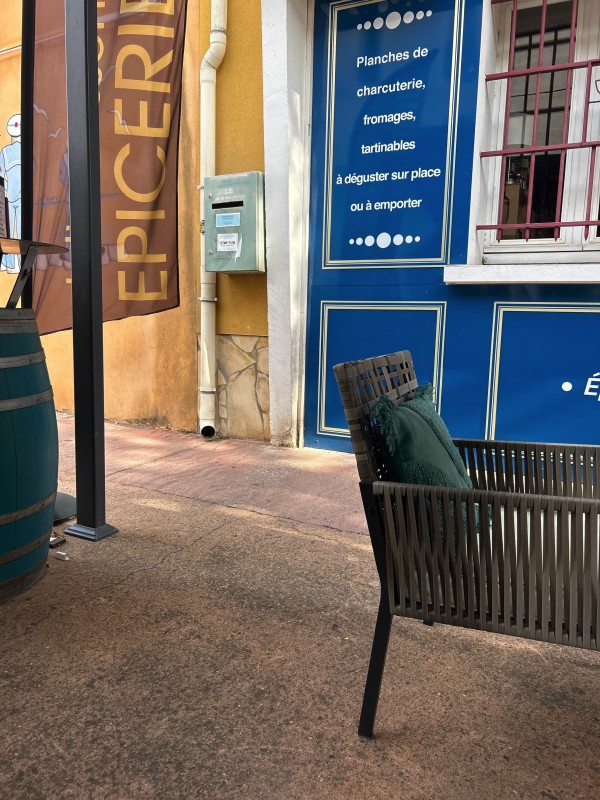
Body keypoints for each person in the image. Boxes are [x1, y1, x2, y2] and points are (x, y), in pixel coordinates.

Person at [0, 113, 21, 273]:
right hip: (14, 196)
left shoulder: (6, 151)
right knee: (18, 233)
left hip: (10, 195)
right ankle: (17, 264)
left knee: (9, 232)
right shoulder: (24, 151)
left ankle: (11, 265)